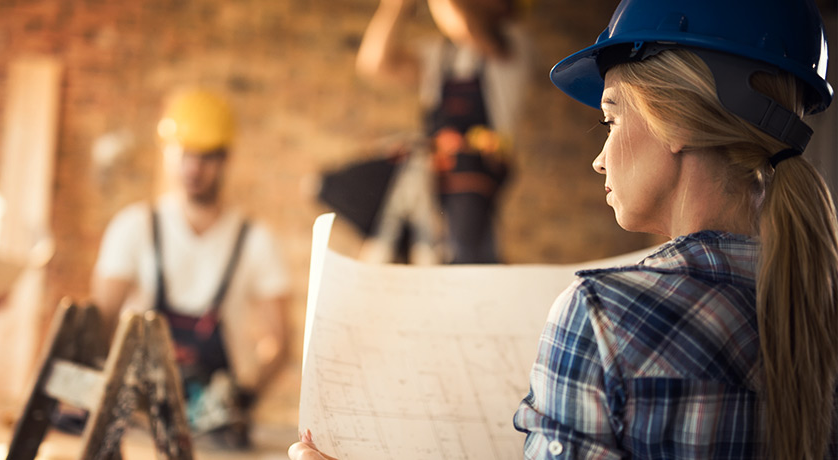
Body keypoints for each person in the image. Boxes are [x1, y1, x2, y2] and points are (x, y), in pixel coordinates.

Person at [291, 0, 837, 458]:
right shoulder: (815, 296)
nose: (598, 160)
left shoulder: (602, 316)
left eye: (611, 118)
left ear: (678, 122)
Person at [92, 88, 291, 450]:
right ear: (168, 153)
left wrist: (241, 398)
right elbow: (100, 324)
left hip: (212, 435)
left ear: (225, 159)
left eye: (206, 157)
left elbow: (280, 343)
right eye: (184, 155)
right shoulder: (134, 227)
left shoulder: (256, 241)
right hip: (135, 423)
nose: (193, 168)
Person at [352, 0, 532, 264]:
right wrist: (397, 6)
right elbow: (376, 62)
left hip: (474, 177)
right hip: (431, 174)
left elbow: (464, 25)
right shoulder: (439, 52)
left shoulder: (512, 43)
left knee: (466, 262)